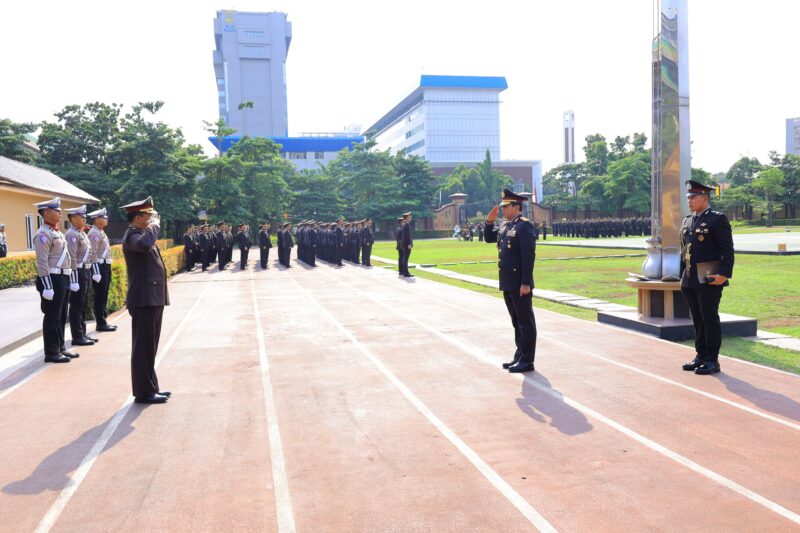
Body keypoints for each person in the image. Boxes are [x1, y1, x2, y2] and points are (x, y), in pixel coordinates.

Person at [680, 180, 735, 376]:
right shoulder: (687, 220)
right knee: (697, 319)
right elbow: (684, 250)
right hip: (690, 277)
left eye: (693, 197)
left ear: (705, 198)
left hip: (709, 276)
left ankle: (712, 360)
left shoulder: (717, 219)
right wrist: (681, 277)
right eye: (688, 197)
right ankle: (700, 355)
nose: (690, 200)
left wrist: (724, 274)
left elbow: (727, 250)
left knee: (709, 317)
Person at [120, 196, 170, 404]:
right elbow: (144, 245)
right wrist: (154, 227)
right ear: (138, 217)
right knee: (143, 347)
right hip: (143, 299)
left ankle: (151, 387)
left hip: (152, 297)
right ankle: (143, 392)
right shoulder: (133, 235)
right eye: (148, 215)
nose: (151, 219)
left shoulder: (141, 233)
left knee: (150, 345)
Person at [484, 189, 537, 373]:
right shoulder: (507, 225)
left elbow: (528, 257)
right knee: (516, 321)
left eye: (506, 206)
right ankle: (520, 355)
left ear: (516, 206)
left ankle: (527, 360)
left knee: (525, 321)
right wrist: (490, 221)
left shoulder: (524, 226)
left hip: (519, 283)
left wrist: (526, 283)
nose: (503, 209)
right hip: (507, 281)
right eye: (503, 206)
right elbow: (489, 238)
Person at [33, 197, 77, 363]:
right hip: (52, 279)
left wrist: (71, 279)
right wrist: (47, 286)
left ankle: (60, 348)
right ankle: (51, 352)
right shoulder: (43, 234)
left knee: (61, 315)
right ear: (46, 213)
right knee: (52, 316)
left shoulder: (57, 232)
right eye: (56, 210)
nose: (60, 213)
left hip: (62, 277)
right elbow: (42, 261)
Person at [65, 205, 96, 347]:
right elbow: (71, 257)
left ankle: (82, 333)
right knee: (77, 305)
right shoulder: (71, 234)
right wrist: (74, 279)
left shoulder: (81, 233)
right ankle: (77, 336)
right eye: (81, 216)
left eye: (84, 216)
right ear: (72, 218)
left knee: (82, 304)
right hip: (78, 272)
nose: (84, 218)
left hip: (86, 271)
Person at [87, 207, 117, 333]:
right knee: (100, 295)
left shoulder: (100, 231)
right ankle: (100, 322)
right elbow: (92, 253)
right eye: (104, 217)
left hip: (105, 265)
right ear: (97, 219)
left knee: (104, 295)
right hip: (99, 266)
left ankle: (103, 320)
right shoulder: (94, 233)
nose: (106, 219)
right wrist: (96, 271)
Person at [399, 212, 414, 278]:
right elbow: (407, 236)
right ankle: (406, 273)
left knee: (405, 258)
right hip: (406, 244)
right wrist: (409, 244)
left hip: (404, 244)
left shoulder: (405, 224)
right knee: (405, 258)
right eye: (409, 217)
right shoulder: (406, 225)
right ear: (406, 218)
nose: (410, 218)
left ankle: (404, 272)